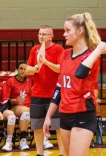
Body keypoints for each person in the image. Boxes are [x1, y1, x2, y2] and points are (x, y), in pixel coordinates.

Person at [43, 12, 106, 156]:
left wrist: (98, 50)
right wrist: (48, 116)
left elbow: (80, 73)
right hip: (65, 114)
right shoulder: (65, 54)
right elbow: (59, 87)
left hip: (83, 114)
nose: (64, 34)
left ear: (80, 31)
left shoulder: (92, 56)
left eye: (68, 30)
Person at [25, 25, 64, 156]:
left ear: (51, 36)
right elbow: (27, 69)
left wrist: (46, 62)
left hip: (55, 94)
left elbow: (60, 68)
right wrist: (37, 66)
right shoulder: (34, 50)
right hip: (37, 94)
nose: (41, 36)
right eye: (39, 34)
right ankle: (39, 153)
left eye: (44, 34)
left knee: (58, 126)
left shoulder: (58, 49)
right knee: (37, 126)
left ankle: (62, 153)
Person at [6, 62, 32, 150]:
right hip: (14, 107)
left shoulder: (30, 80)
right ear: (17, 70)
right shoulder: (11, 81)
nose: (23, 71)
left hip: (29, 108)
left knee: (27, 113)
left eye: (25, 69)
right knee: (26, 112)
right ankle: (19, 140)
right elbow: (7, 100)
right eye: (21, 68)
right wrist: (16, 100)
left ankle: (23, 140)